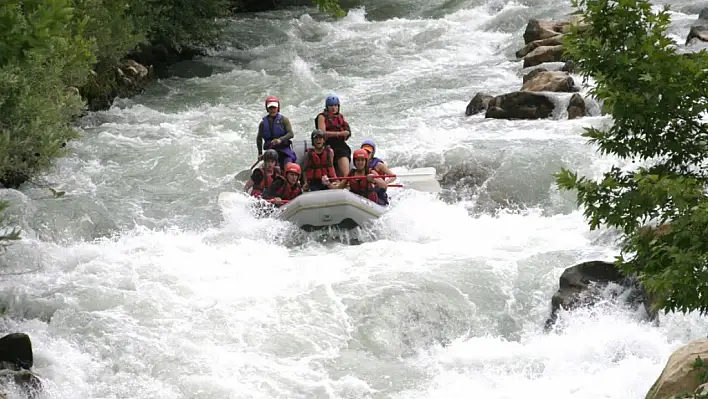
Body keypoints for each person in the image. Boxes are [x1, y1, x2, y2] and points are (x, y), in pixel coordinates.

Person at [314, 95, 351, 177]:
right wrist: (339, 134)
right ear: (327, 107)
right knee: (339, 151)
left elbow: (347, 130)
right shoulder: (322, 117)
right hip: (327, 143)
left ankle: (346, 177)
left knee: (344, 150)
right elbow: (322, 133)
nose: (334, 108)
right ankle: (343, 177)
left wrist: (347, 133)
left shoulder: (340, 116)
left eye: (336, 105)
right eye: (331, 106)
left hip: (340, 143)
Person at [257, 96, 296, 170]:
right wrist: (260, 153)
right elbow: (259, 139)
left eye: (274, 107)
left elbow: (291, 134)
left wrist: (280, 140)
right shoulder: (262, 124)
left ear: (278, 108)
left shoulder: (284, 120)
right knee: (275, 168)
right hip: (271, 152)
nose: (272, 110)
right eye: (270, 108)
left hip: (284, 151)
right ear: (267, 108)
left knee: (288, 166)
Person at [360, 140, 395, 205]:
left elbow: (393, 176)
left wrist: (385, 183)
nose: (366, 154)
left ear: (372, 153)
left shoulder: (378, 164)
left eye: (368, 152)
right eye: (364, 151)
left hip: (378, 189)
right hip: (366, 188)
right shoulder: (359, 163)